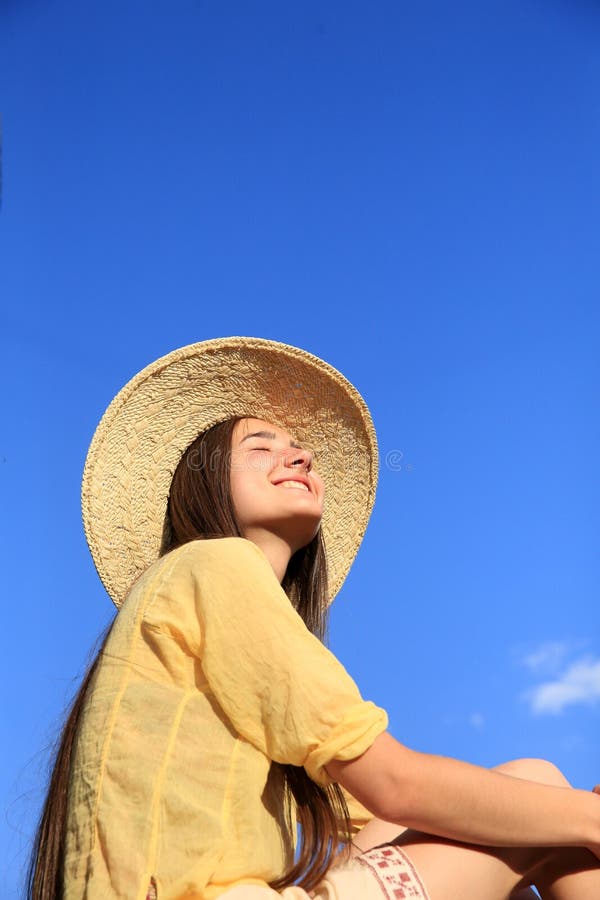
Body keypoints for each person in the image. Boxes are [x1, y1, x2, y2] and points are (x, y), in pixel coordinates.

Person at [27, 336, 600, 900]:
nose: (300, 457)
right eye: (260, 446)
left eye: (301, 448)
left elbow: (376, 811)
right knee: (542, 789)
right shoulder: (214, 564)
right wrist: (588, 817)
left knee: (527, 816)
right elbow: (396, 783)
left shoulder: (233, 623)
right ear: (201, 482)